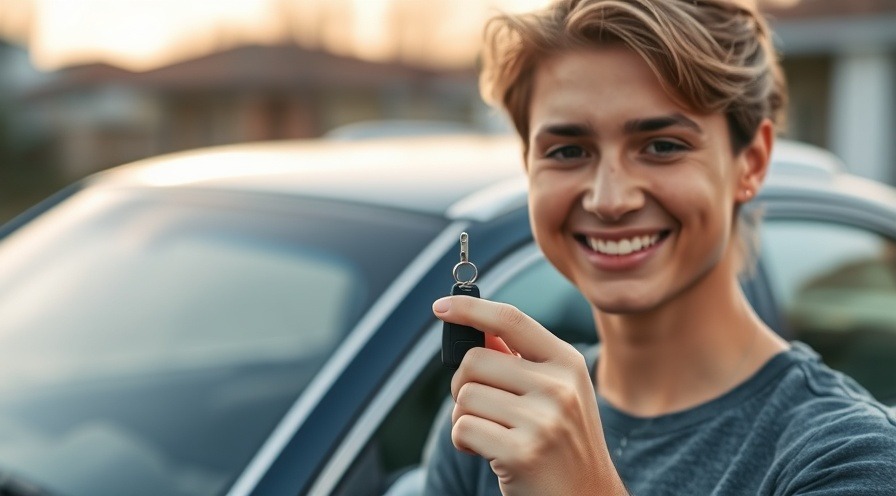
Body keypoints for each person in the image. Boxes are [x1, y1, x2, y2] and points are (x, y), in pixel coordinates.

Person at [424, 0, 896, 494]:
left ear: (752, 162)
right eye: (568, 151)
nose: (610, 199)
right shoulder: (493, 417)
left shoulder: (850, 459)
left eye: (663, 146)